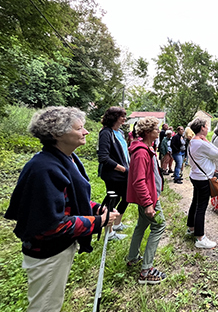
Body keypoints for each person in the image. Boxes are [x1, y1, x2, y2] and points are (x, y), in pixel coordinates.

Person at [4, 106, 119, 312]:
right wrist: (100, 221)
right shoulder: (43, 169)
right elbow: (52, 226)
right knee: (45, 307)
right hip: (47, 254)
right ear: (57, 134)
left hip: (60, 249)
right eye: (79, 128)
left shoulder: (67, 159)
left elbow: (71, 199)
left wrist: (97, 208)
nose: (86, 132)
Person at [126, 117, 167, 284]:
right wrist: (149, 203)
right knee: (159, 225)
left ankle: (133, 257)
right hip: (149, 199)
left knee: (141, 225)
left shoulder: (145, 148)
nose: (159, 131)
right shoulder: (141, 152)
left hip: (150, 196)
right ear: (149, 132)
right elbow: (139, 181)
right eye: (156, 129)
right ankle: (146, 271)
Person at [186, 118, 218, 249]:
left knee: (195, 202)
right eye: (206, 126)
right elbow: (217, 153)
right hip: (203, 178)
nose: (208, 128)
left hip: (195, 176)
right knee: (201, 206)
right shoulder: (201, 143)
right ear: (202, 128)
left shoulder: (192, 142)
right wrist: (207, 141)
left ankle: (191, 227)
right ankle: (200, 238)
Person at [97, 106, 130, 240]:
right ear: (114, 117)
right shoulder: (106, 133)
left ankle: (117, 224)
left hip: (124, 173)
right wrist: (123, 169)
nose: (124, 118)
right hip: (113, 174)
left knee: (127, 197)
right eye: (122, 116)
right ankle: (109, 232)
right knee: (112, 201)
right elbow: (103, 158)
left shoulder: (120, 132)